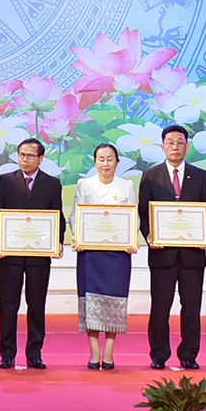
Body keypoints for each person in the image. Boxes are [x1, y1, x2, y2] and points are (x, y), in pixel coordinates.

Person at [138, 124, 206, 370]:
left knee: (191, 307)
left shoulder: (200, 175)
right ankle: (159, 353)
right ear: (162, 147)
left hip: (192, 254)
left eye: (180, 142)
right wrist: (149, 235)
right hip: (162, 254)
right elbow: (143, 212)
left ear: (187, 147)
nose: (175, 147)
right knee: (160, 307)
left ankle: (189, 354)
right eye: (170, 143)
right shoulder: (150, 176)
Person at [0, 137, 66, 370]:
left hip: (38, 256)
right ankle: (7, 353)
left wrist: (58, 241)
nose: (24, 159)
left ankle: (34, 353)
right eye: (21, 155)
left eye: (30, 155)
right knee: (8, 305)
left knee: (37, 305)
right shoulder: (6, 180)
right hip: (10, 255)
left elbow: (57, 216)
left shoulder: (52, 184)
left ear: (41, 159)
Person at [71, 143, 138, 370]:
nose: (105, 163)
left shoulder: (127, 186)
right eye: (101, 159)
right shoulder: (84, 184)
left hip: (118, 255)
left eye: (110, 159)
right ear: (95, 161)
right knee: (90, 302)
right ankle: (93, 353)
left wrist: (131, 239)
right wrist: (77, 236)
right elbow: (75, 215)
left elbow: (134, 216)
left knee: (113, 301)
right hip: (90, 254)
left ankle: (108, 353)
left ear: (117, 162)